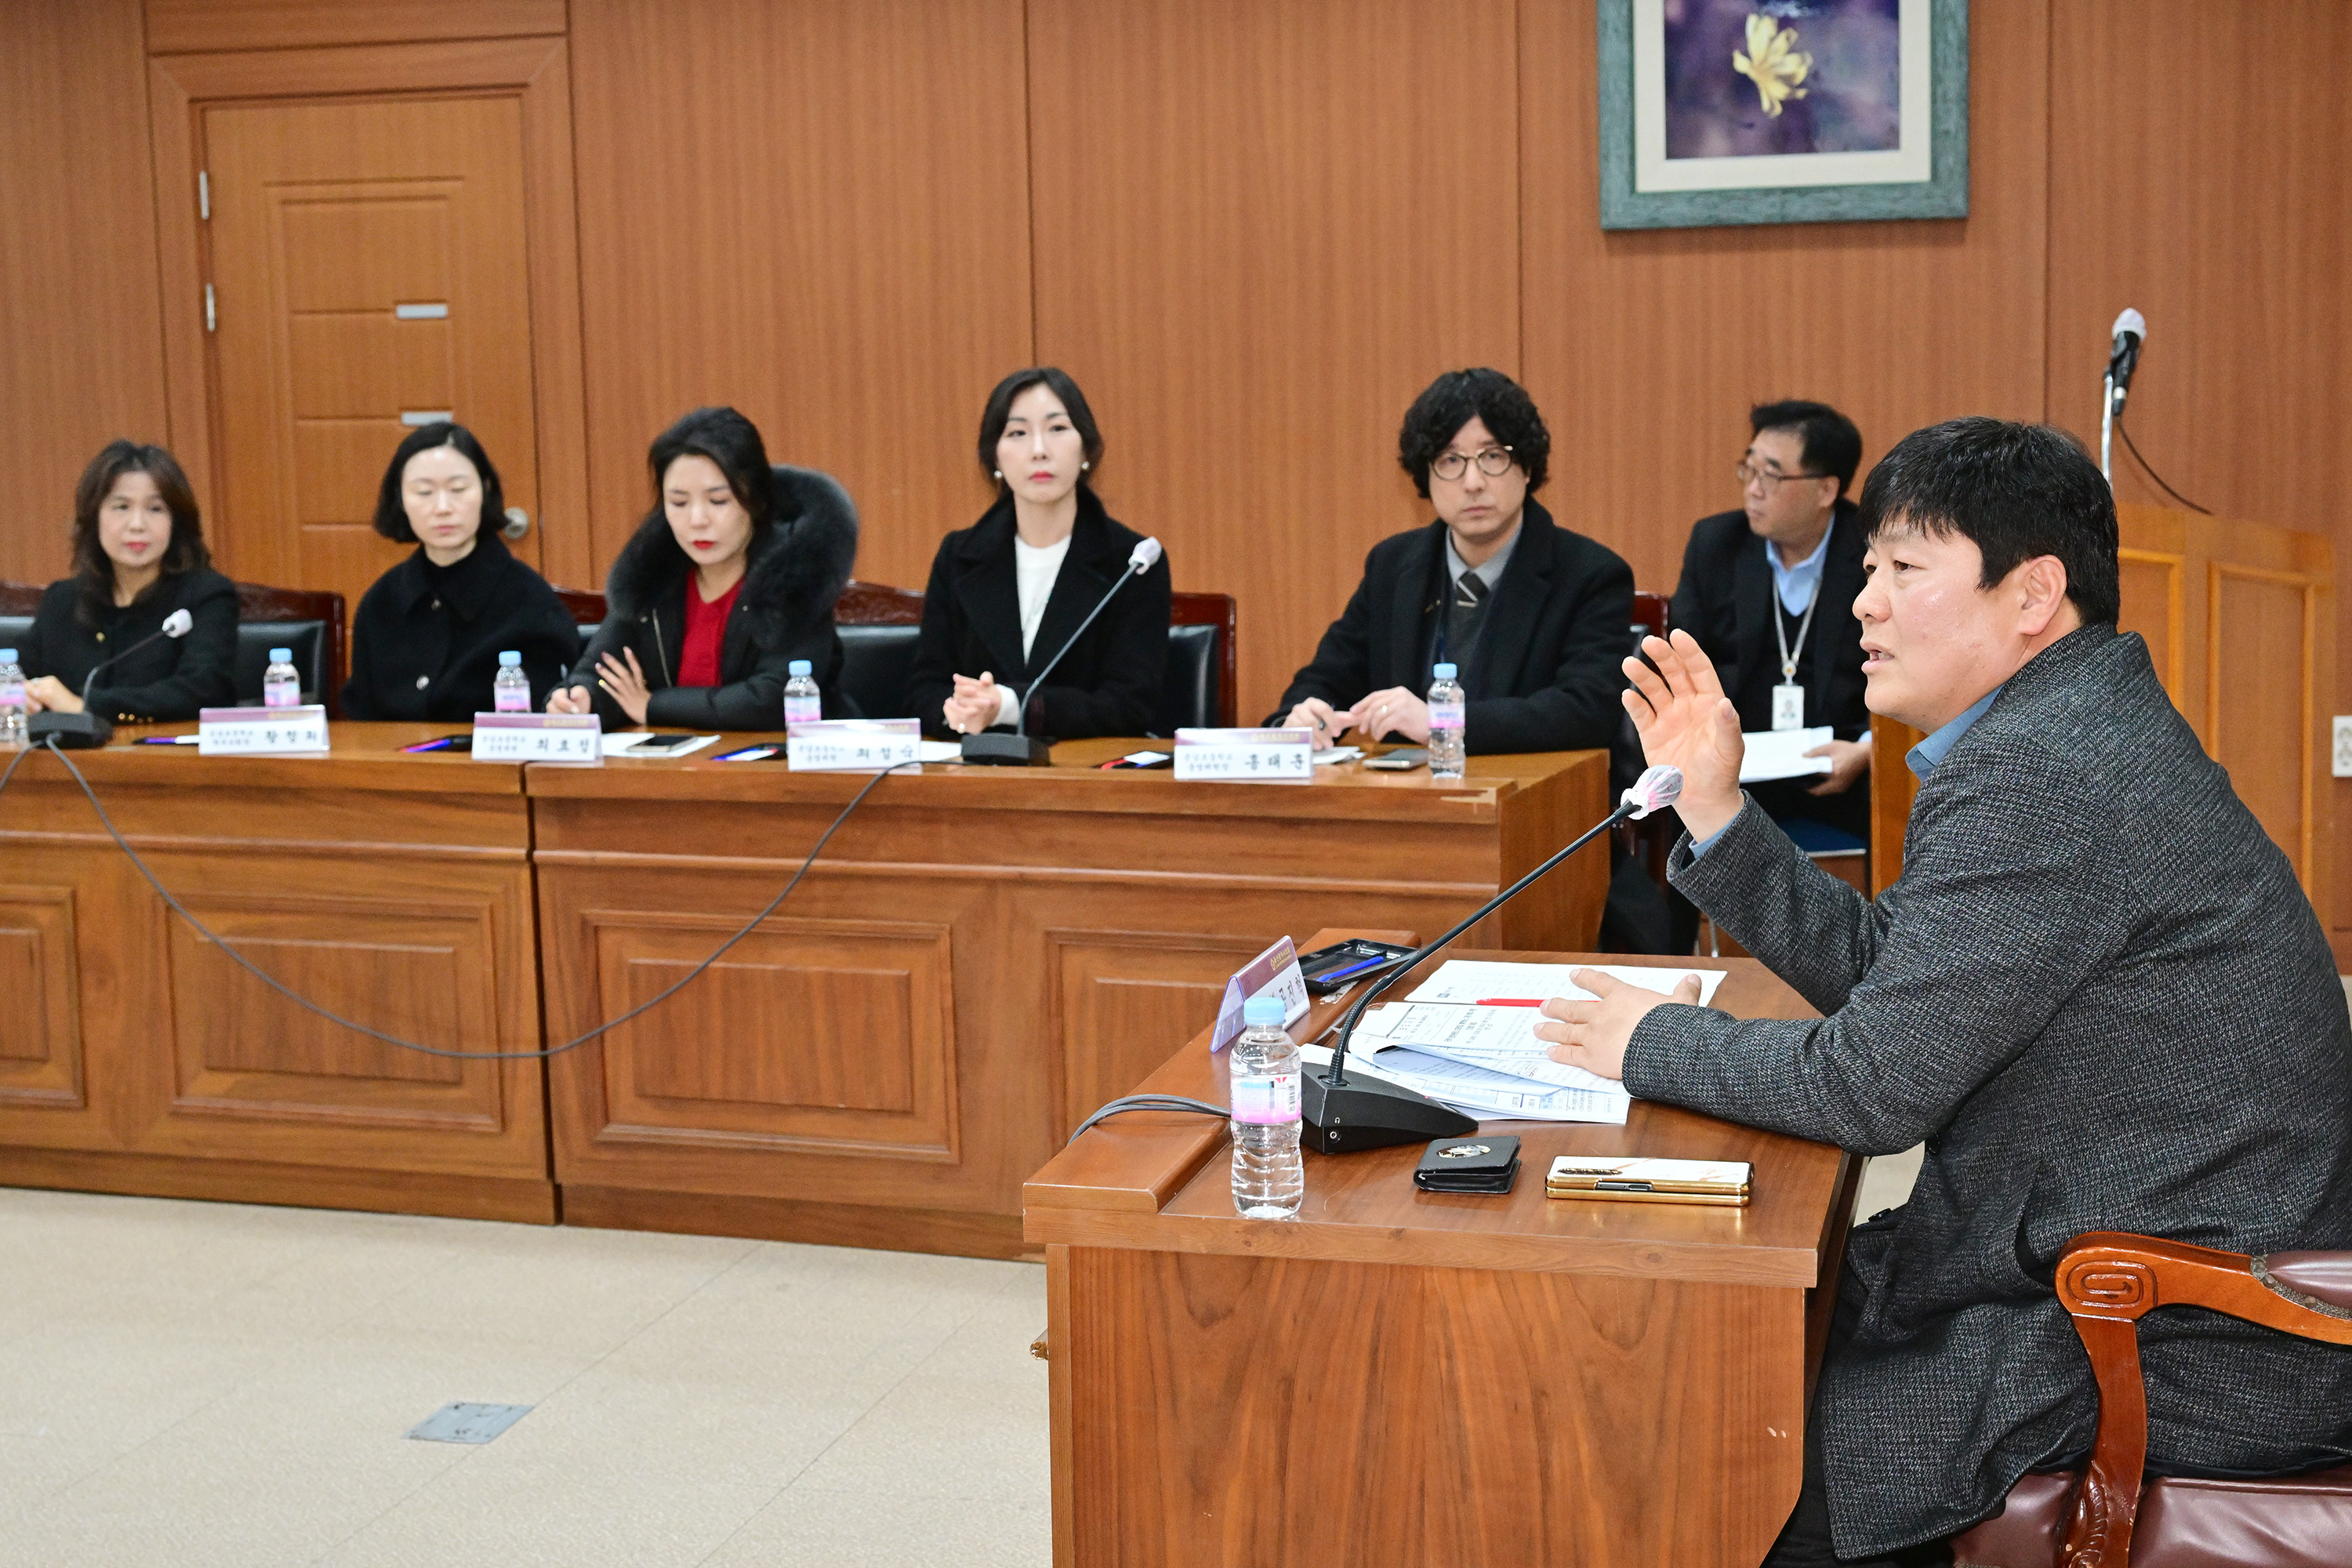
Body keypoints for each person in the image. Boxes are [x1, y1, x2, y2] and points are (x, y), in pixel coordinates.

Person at [1534, 419, 2352, 1566]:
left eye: (1904, 569)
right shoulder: (2063, 726)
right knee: (1731, 1365)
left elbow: (1876, 1087)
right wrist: (1716, 807)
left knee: (1725, 1444)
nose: (1864, 602)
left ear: (2032, 595)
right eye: (1867, 569)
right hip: (2122, 1263)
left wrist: (1647, 1043)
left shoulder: (2048, 772)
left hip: (2185, 1327)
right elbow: (1906, 986)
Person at [1270, 368, 1632, 754]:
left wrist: (1442, 722)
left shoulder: (1591, 574)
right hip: (1409, 803)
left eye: (1493, 456)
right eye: (1450, 460)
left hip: (1532, 801)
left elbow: (1586, 712)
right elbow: (1329, 676)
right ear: (1426, 477)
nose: (1473, 482)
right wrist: (1300, 718)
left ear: (1527, 468)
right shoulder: (1393, 567)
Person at [550, 407, 855, 728]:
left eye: (718, 501)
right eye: (679, 503)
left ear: (757, 501)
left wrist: (654, 706)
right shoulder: (654, 577)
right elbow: (601, 671)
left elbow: (772, 698)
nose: (697, 520)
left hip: (780, 770)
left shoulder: (794, 580)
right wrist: (580, 697)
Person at [906, 368, 1170, 739]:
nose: (1039, 450)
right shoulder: (959, 556)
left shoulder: (1134, 562)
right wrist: (957, 711)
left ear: (1086, 449)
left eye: (1057, 429)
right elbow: (924, 690)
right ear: (995, 458)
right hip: (978, 777)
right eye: (1017, 433)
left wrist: (1010, 706)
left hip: (1085, 782)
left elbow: (1130, 705)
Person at [1668, 400, 1871, 841]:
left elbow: (1912, 669)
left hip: (1842, 776)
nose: (1753, 489)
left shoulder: (1872, 556)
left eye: (1773, 475)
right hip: (1736, 775)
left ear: (1826, 490)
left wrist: (1866, 752)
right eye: (1750, 469)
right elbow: (1681, 664)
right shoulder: (1716, 544)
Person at [340, 423, 580, 721]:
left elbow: (553, 717)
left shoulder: (529, 601)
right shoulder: (381, 602)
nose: (443, 507)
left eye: (458, 489)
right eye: (424, 492)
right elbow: (361, 721)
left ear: (485, 490)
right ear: (400, 500)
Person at [20, 441, 237, 725]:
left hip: (164, 765)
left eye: (155, 509)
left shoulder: (206, 596)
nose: (137, 524)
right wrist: (21, 696)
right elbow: (21, 676)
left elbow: (204, 690)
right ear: (94, 517)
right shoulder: (63, 600)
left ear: (177, 522)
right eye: (121, 507)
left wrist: (84, 705)